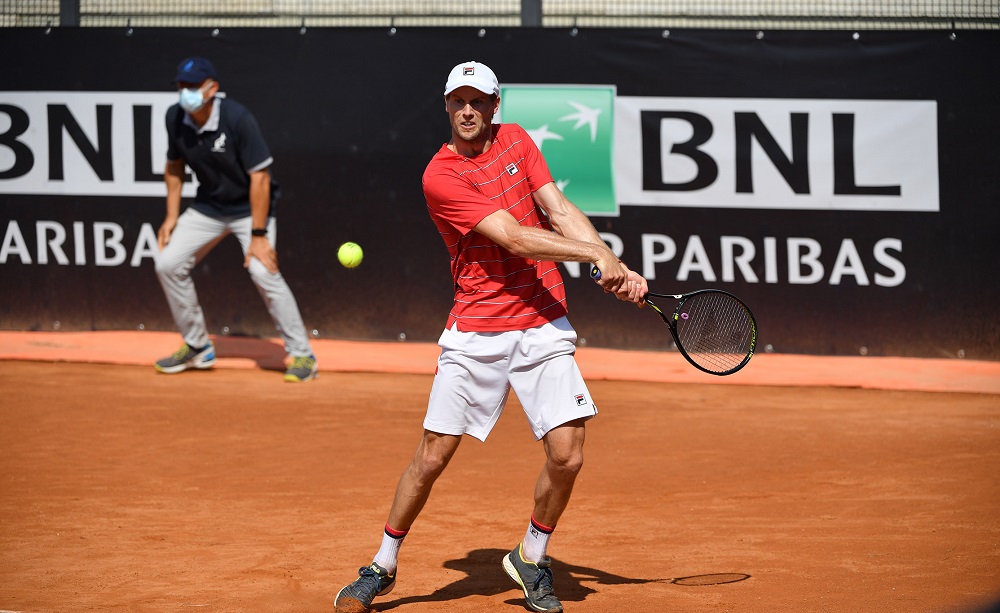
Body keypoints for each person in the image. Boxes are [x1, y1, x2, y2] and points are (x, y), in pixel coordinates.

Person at [333, 61, 648, 613]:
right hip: (477, 329)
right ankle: (382, 563)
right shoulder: (441, 175)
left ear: (494, 106)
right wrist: (597, 254)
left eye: (478, 100)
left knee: (568, 456)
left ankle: (532, 556)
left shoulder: (518, 140)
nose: (468, 110)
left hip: (542, 321)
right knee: (433, 457)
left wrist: (611, 263)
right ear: (447, 107)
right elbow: (516, 238)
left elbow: (555, 208)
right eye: (458, 101)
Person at [154, 57, 318, 383]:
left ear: (212, 88)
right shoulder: (175, 117)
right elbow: (174, 167)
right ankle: (197, 345)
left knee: (262, 269)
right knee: (167, 263)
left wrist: (258, 234)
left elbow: (260, 178)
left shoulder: (237, 118)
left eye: (191, 86)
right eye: (180, 86)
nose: (184, 93)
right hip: (209, 207)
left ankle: (302, 354)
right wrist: (171, 216)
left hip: (251, 208)